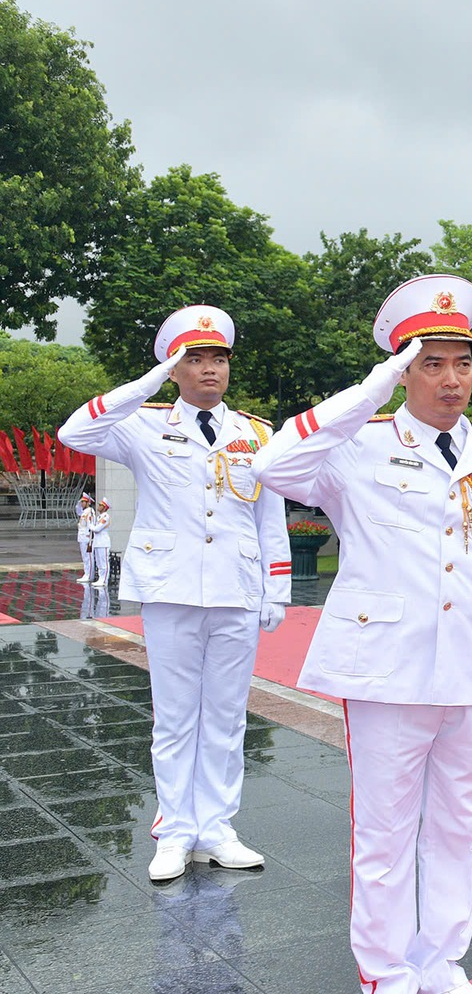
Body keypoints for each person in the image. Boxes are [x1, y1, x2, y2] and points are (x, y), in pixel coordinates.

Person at [252, 276, 472, 994]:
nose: (451, 379)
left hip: (471, 668)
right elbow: (273, 465)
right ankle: (387, 977)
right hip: (386, 669)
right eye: (431, 363)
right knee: (383, 831)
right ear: (404, 370)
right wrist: (371, 386)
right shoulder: (358, 448)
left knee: (459, 826)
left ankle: (442, 967)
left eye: (461, 364)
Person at [60, 304, 290, 886]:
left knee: (226, 715)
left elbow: (270, 517)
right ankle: (175, 829)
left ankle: (216, 828)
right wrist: (148, 383)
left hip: (236, 589)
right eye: (194, 359)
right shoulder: (142, 424)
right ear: (174, 366)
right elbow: (74, 432)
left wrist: (276, 588)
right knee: (176, 715)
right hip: (171, 587)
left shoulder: (256, 434)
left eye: (218, 359)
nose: (208, 370)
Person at [88, 500, 111, 589]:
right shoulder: (99, 517)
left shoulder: (105, 517)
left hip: (103, 542)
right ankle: (101, 578)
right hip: (98, 542)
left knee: (104, 562)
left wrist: (89, 525)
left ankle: (104, 580)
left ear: (105, 507)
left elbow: (97, 529)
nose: (99, 506)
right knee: (99, 562)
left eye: (101, 505)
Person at [74, 493, 93, 585]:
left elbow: (90, 526)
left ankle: (88, 574)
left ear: (87, 503)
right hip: (82, 537)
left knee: (87, 557)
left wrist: (90, 539)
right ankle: (87, 573)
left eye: (83, 502)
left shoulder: (89, 512)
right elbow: (77, 509)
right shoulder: (84, 512)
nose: (81, 504)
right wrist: (79, 501)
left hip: (86, 537)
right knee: (84, 557)